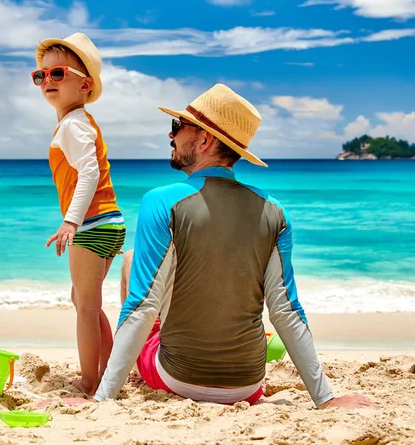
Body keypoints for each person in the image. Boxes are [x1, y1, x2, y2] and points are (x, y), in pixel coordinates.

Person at [92, 83, 371, 409]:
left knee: (131, 261)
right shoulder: (274, 211)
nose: (172, 136)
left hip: (175, 377)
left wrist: (102, 399)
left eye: (178, 127)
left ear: (205, 139)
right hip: (247, 385)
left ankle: (127, 376)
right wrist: (326, 399)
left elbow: (143, 306)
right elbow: (285, 310)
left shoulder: (160, 201)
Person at [33, 33, 126, 396]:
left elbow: (88, 173)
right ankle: (107, 369)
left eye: (58, 74)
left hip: (93, 223)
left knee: (86, 307)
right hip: (108, 221)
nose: (47, 82)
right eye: (40, 76)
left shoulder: (73, 124)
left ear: (84, 84)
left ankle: (91, 381)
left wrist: (71, 220)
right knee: (84, 301)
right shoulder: (79, 121)